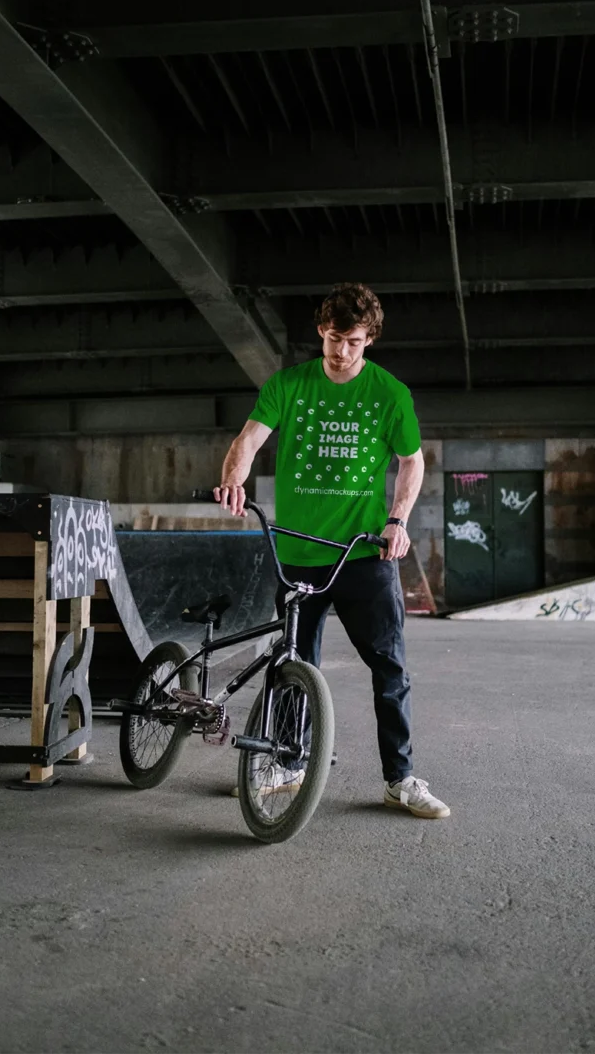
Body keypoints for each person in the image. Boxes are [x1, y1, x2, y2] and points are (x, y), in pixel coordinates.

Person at [214, 282, 449, 820]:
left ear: (369, 341)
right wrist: (233, 479)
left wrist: (397, 521)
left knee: (389, 668)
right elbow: (248, 439)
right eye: (334, 338)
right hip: (297, 553)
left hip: (364, 555)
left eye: (354, 341)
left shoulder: (390, 394)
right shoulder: (289, 385)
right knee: (295, 664)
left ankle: (400, 779)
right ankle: (290, 763)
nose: (342, 351)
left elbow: (412, 463)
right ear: (322, 332)